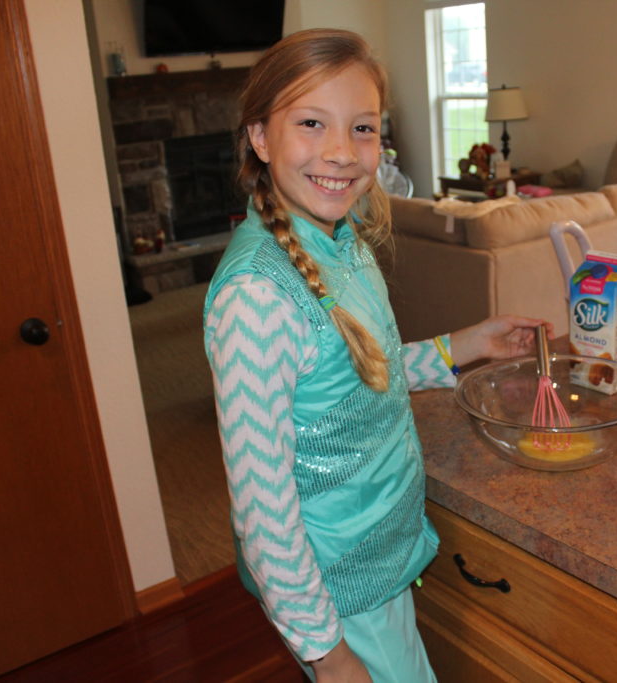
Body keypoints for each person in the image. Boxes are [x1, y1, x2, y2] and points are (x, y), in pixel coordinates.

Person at [203, 28, 549, 682]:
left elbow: (363, 373)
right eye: (311, 123)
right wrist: (328, 655)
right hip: (336, 593)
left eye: (362, 128)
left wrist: (467, 344)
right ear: (259, 136)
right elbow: (263, 511)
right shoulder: (255, 297)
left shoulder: (342, 240)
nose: (341, 152)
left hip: (376, 560)